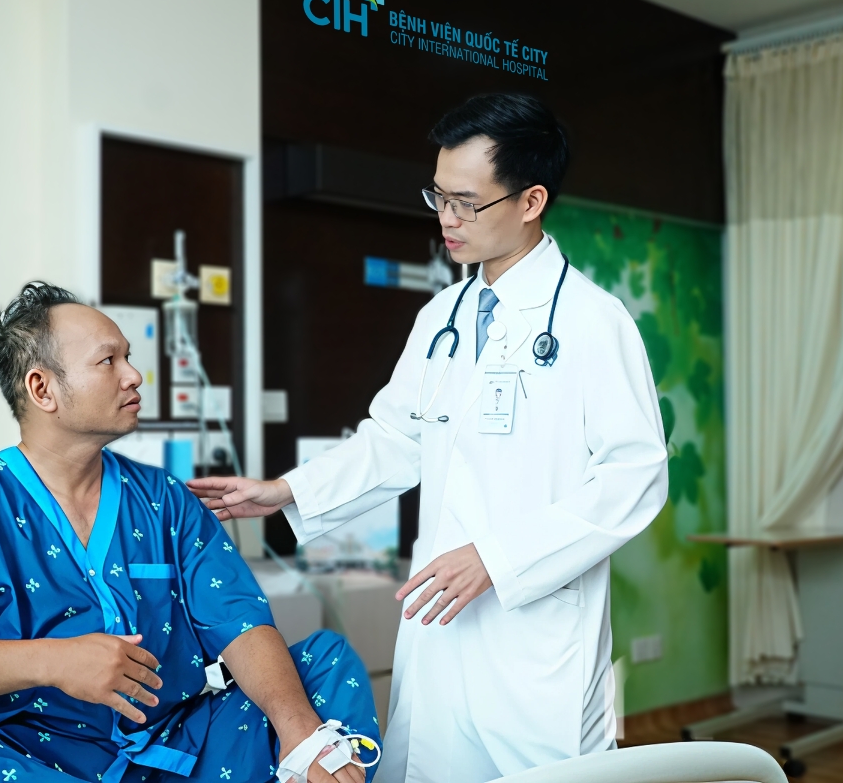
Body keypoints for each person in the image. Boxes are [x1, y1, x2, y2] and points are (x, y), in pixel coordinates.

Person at [188, 94, 669, 782]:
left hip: (534, 637)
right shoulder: (442, 316)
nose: (446, 218)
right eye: (438, 197)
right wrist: (286, 491)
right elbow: (395, 439)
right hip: (442, 625)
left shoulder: (593, 321)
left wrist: (498, 559)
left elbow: (635, 477)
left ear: (530, 201)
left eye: (466, 203)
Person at [0, 283, 381, 783]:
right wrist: (54, 661)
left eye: (128, 357)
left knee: (323, 664)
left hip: (180, 746)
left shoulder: (164, 500)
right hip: (34, 759)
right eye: (109, 361)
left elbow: (240, 623)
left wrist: (300, 735)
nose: (134, 376)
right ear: (43, 388)